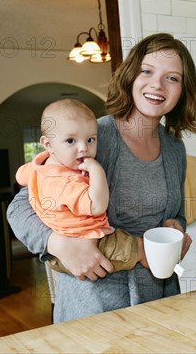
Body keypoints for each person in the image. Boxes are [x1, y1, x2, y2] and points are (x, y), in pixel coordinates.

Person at [7, 33, 196, 323]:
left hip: (161, 304)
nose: (157, 85)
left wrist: (176, 226)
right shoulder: (95, 139)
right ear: (130, 76)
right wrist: (57, 243)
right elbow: (21, 206)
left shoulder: (175, 147)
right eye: (147, 72)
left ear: (182, 90)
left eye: (172, 78)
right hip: (95, 307)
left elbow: (175, 213)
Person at [15, 99, 141, 274]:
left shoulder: (37, 167)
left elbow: (20, 176)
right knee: (136, 247)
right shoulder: (69, 183)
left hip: (59, 251)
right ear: (48, 144)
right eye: (70, 141)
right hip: (85, 245)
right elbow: (97, 206)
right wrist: (97, 171)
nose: (83, 148)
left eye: (90, 140)